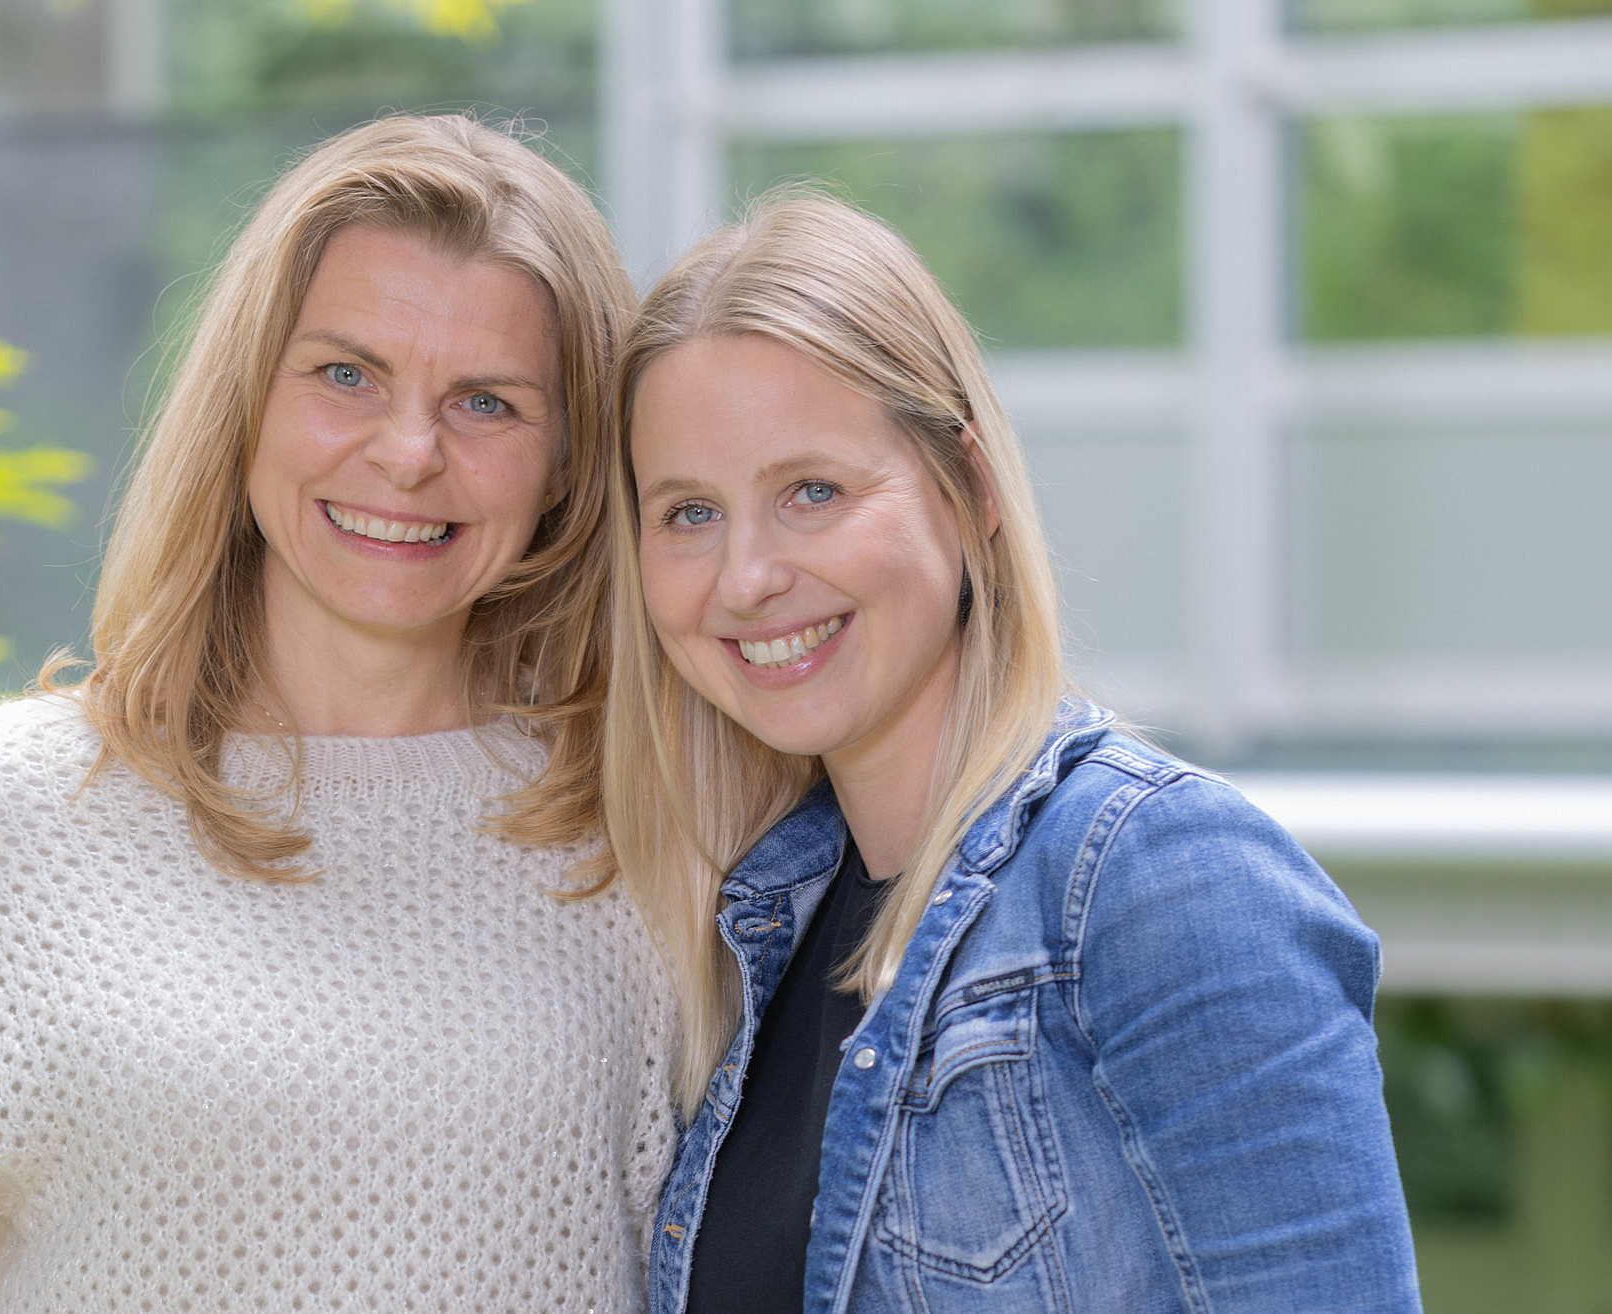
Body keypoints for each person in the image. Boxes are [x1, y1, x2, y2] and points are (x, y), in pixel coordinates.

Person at [0, 115, 675, 1313]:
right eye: (346, 374)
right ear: (246, 402)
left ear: (566, 462)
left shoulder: (647, 828)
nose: (407, 452)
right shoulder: (14, 818)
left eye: (487, 403)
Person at [600, 190, 1422, 1314]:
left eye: (813, 492)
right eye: (689, 513)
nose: (746, 578)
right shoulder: (762, 927)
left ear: (972, 486)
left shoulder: (1160, 884)